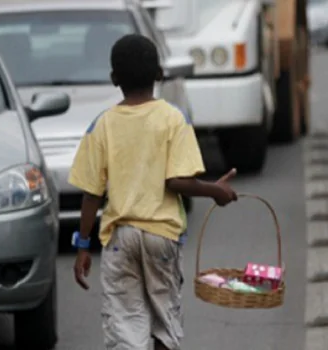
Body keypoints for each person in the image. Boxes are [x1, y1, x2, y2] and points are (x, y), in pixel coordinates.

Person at [68, 34, 238, 350]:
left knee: (124, 323)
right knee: (164, 321)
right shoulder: (174, 119)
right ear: (160, 74)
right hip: (162, 237)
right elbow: (176, 182)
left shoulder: (101, 124)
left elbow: (91, 194)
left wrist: (82, 247)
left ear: (113, 78)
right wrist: (215, 190)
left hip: (120, 239)